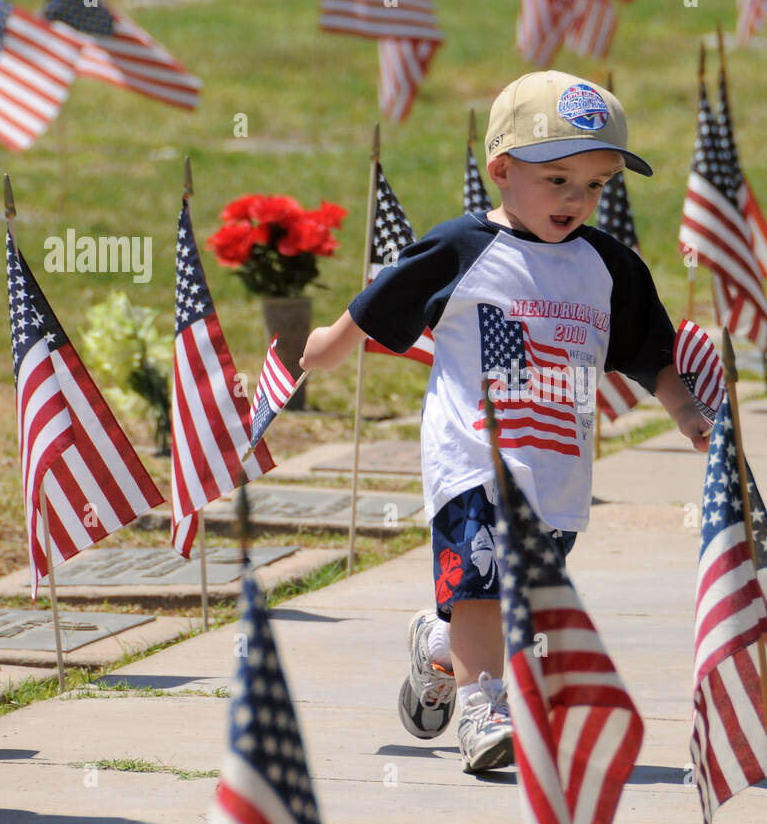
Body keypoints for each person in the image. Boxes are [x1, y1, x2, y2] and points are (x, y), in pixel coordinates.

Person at [300, 70, 710, 773]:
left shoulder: (609, 266)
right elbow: (381, 303)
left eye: (598, 184)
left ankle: (438, 643)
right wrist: (324, 350)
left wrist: (686, 411)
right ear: (502, 169)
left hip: (555, 471)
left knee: (507, 595)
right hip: (471, 457)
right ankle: (485, 712)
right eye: (558, 180)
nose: (578, 199)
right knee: (483, 581)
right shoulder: (462, 247)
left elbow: (651, 349)